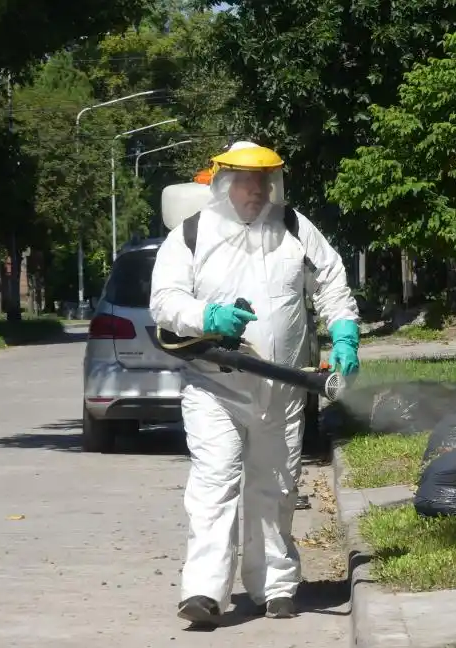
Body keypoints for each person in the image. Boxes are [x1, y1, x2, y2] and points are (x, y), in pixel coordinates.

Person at [149, 141, 360, 625]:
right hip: (213, 388)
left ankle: (275, 586)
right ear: (224, 183)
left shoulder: (293, 228)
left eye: (265, 180)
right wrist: (207, 315)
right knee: (215, 482)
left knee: (277, 488)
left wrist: (344, 332)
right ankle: (204, 591)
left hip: (282, 390)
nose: (258, 190)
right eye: (248, 180)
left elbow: (331, 281)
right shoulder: (192, 234)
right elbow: (164, 302)